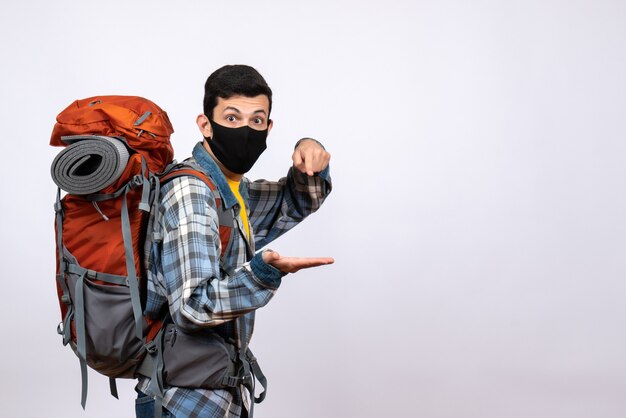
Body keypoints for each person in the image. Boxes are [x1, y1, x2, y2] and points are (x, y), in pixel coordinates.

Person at [135, 64, 333, 418]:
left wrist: (311, 151)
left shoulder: (233, 193)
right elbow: (192, 306)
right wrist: (263, 273)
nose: (244, 130)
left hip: (216, 394)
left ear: (269, 127)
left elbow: (296, 200)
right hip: (184, 402)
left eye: (257, 121)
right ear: (205, 124)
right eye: (231, 117)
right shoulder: (192, 193)